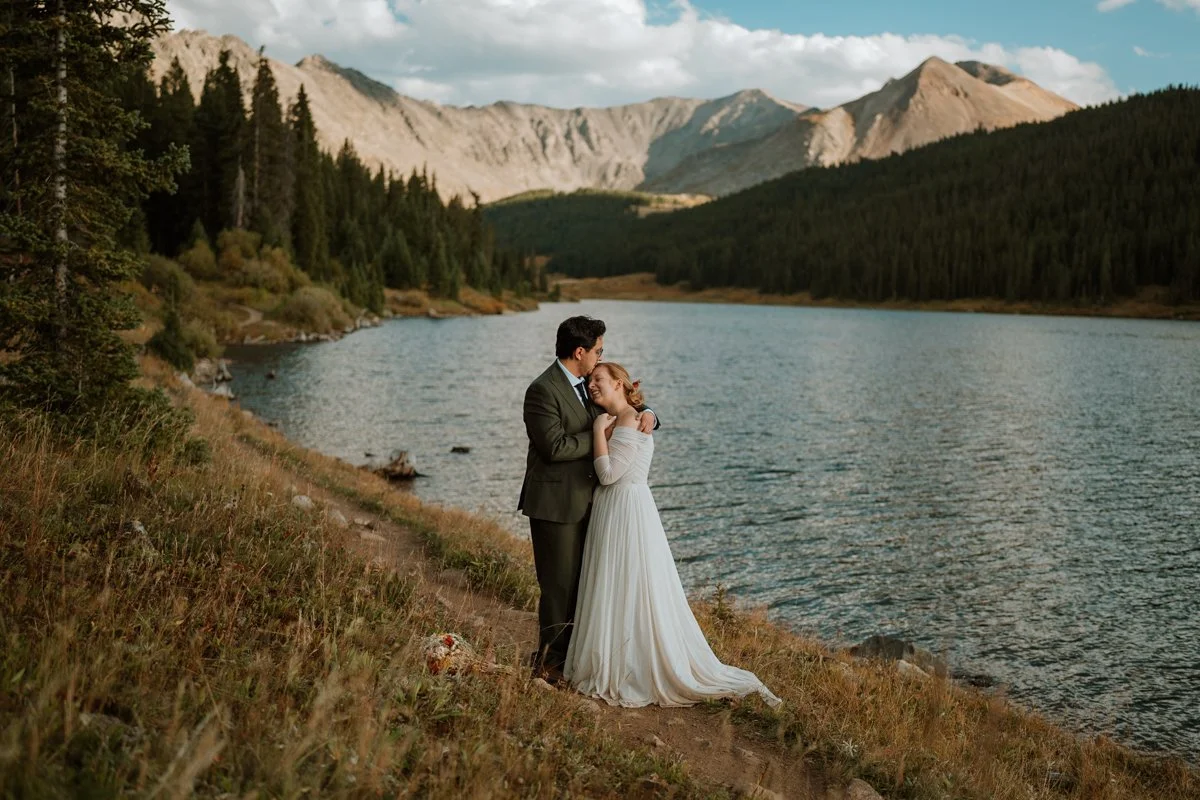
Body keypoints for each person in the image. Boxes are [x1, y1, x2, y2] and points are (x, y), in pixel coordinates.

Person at [564, 361, 781, 708]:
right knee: (620, 582)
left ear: (619, 383)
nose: (592, 385)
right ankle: (615, 654)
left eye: (599, 380)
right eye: (590, 381)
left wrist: (596, 432)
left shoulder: (626, 421)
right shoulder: (623, 416)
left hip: (623, 507)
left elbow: (608, 475)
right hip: (620, 507)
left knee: (626, 582)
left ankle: (626, 664)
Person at [518, 316, 656, 683]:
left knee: (585, 582)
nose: (601, 357)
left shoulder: (589, 384)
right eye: (598, 351)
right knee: (558, 586)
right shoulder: (542, 390)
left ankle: (576, 658)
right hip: (556, 504)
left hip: (593, 502)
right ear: (580, 352)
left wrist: (649, 415)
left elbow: (624, 403)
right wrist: (602, 435)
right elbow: (554, 446)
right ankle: (549, 664)